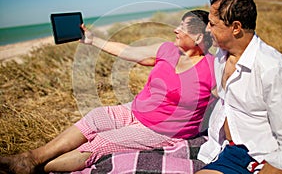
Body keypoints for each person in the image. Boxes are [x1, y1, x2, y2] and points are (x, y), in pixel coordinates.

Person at [0, 10, 216, 173]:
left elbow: (236, 97)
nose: (175, 30)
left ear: (198, 37)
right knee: (95, 117)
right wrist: (92, 40)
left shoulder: (213, 68)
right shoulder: (167, 49)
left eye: (183, 27)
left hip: (162, 131)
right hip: (135, 110)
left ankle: (39, 168)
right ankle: (30, 158)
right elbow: (128, 51)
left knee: (102, 142)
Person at [195, 0, 282, 174]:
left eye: (212, 24)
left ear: (236, 27)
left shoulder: (273, 70)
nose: (207, 29)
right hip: (227, 150)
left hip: (261, 158)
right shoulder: (222, 54)